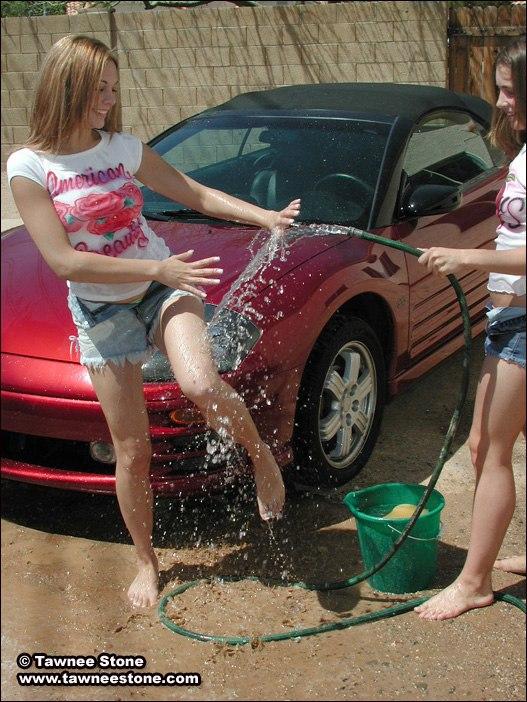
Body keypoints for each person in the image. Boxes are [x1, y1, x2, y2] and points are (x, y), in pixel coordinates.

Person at [7, 35, 301, 608]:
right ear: (67, 86)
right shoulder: (29, 167)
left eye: (113, 89)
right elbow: (63, 261)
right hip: (101, 310)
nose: (108, 100)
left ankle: (261, 457)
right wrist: (157, 266)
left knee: (200, 384)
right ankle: (146, 561)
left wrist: (265, 216)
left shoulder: (122, 148)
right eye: (99, 88)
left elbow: (192, 191)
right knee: (132, 449)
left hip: (163, 288)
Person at [414, 35, 526, 620]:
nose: (501, 102)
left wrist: (470, 260)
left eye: (509, 90)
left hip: (524, 324)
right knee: (496, 443)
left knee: (492, 447)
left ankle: (475, 581)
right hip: (509, 317)